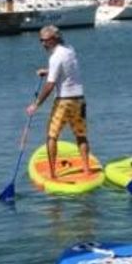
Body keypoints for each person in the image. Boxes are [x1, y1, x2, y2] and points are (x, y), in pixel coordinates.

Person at [26, 25, 90, 179]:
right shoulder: (69, 49)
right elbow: (66, 70)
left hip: (63, 100)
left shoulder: (55, 57)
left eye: (46, 40)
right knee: (81, 135)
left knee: (51, 136)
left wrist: (36, 104)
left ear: (54, 39)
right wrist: (47, 71)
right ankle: (87, 170)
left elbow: (50, 85)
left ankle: (53, 174)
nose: (43, 44)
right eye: (41, 40)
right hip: (79, 99)